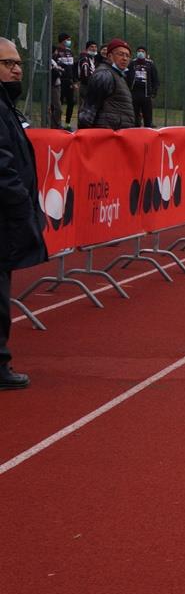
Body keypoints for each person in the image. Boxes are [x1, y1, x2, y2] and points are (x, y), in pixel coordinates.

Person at [0, 37, 49, 389]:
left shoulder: (7, 106)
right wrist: (22, 207)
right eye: (8, 63)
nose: (17, 69)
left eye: (18, 62)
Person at [78, 38, 135, 130]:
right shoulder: (104, 75)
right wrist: (85, 134)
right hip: (105, 134)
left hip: (118, 133)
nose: (125, 58)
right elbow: (89, 109)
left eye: (127, 56)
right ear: (110, 56)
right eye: (120, 54)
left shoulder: (119, 76)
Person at [125, 45, 159, 128]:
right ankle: (135, 128)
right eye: (139, 51)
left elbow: (155, 79)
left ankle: (148, 128)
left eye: (142, 51)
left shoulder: (150, 64)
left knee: (147, 115)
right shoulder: (132, 63)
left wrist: (154, 91)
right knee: (134, 115)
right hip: (134, 93)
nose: (140, 53)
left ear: (146, 53)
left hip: (146, 93)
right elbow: (127, 77)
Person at [50, 33, 77, 130]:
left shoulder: (69, 51)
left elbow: (72, 68)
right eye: (68, 39)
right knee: (58, 103)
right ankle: (56, 123)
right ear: (62, 40)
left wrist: (74, 81)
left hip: (69, 81)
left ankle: (67, 123)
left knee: (71, 102)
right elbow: (54, 65)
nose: (69, 41)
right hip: (60, 80)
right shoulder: (56, 51)